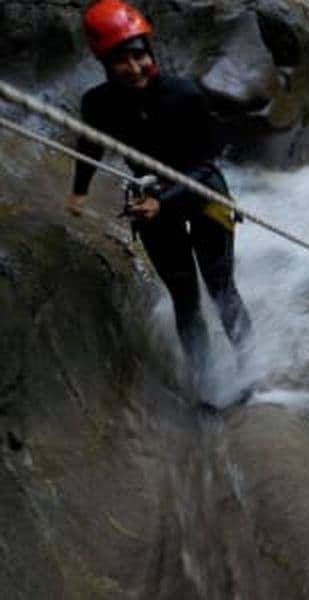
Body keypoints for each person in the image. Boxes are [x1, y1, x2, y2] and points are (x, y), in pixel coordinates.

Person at [66, 0, 253, 384]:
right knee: (186, 300)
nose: (134, 69)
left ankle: (251, 371)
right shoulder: (98, 104)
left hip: (202, 197)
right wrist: (79, 191)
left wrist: (161, 201)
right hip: (148, 203)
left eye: (139, 56)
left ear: (149, 52)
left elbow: (206, 165)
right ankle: (208, 384)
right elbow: (90, 146)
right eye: (122, 61)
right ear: (104, 63)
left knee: (221, 291)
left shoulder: (185, 96)